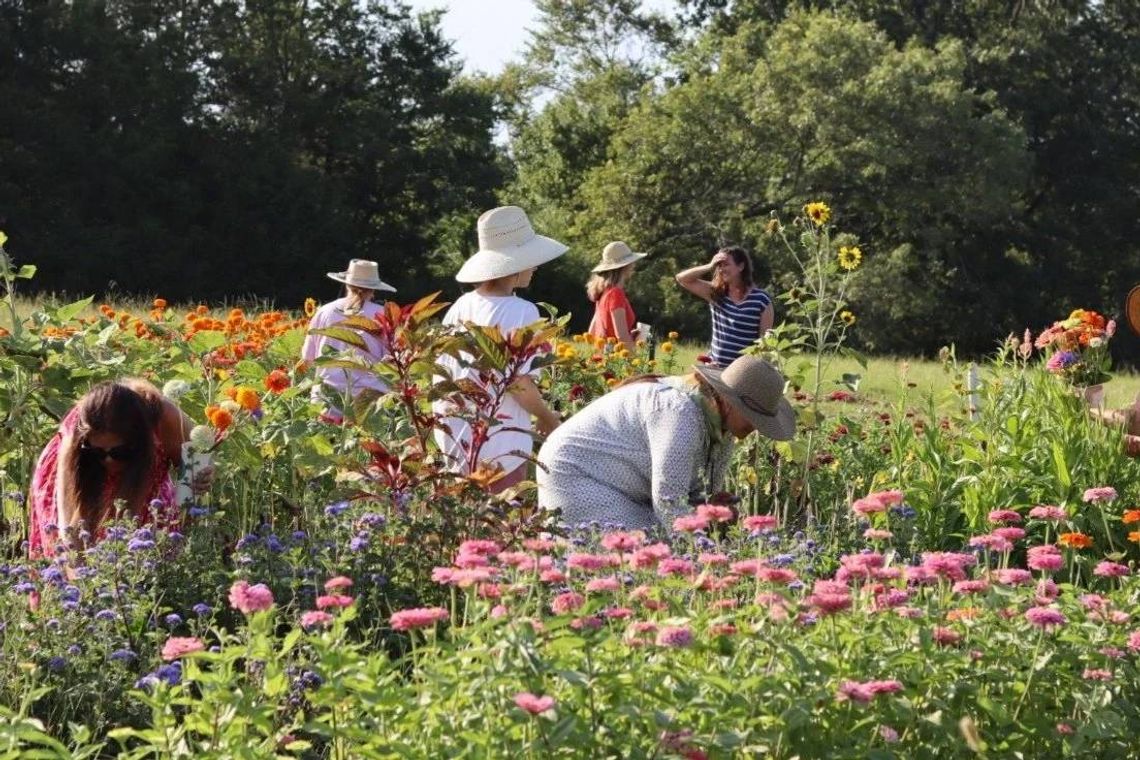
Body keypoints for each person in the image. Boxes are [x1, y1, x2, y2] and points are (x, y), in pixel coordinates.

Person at [537, 354, 795, 532]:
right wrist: (700, 561)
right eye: (752, 416)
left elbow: (698, 499)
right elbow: (669, 504)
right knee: (643, 548)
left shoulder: (721, 428)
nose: (755, 427)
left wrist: (714, 510)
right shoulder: (679, 415)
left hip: (620, 484)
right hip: (575, 473)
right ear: (728, 401)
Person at [433, 206, 566, 492]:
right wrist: (546, 417)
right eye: (531, 260)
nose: (535, 266)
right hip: (500, 443)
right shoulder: (522, 312)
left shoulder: (460, 306)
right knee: (499, 525)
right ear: (514, 265)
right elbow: (518, 383)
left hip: (456, 438)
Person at [27, 378, 210, 557]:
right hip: (85, 472)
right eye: (99, 452)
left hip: (143, 471)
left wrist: (190, 492)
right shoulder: (75, 438)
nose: (108, 461)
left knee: (158, 534)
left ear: (140, 440)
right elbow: (69, 532)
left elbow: (199, 464)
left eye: (119, 453)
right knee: (71, 549)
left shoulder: (164, 418)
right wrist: (78, 576)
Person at [300, 259, 396, 423]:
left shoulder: (324, 312)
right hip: (368, 402)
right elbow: (392, 364)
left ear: (346, 284)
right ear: (373, 289)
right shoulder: (382, 315)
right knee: (365, 447)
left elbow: (308, 360)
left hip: (327, 398)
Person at [675, 246, 774, 367]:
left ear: (741, 267)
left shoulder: (761, 300)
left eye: (726, 264)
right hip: (713, 367)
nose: (721, 269)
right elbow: (682, 279)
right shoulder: (716, 293)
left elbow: (765, 342)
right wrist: (709, 266)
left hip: (742, 374)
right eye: (719, 266)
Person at [587, 241, 647, 353]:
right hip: (614, 361)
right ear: (625, 266)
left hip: (600, 358)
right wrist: (635, 361)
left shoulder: (603, 293)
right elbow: (621, 336)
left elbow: (592, 331)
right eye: (632, 262)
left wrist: (630, 335)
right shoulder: (616, 294)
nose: (633, 265)